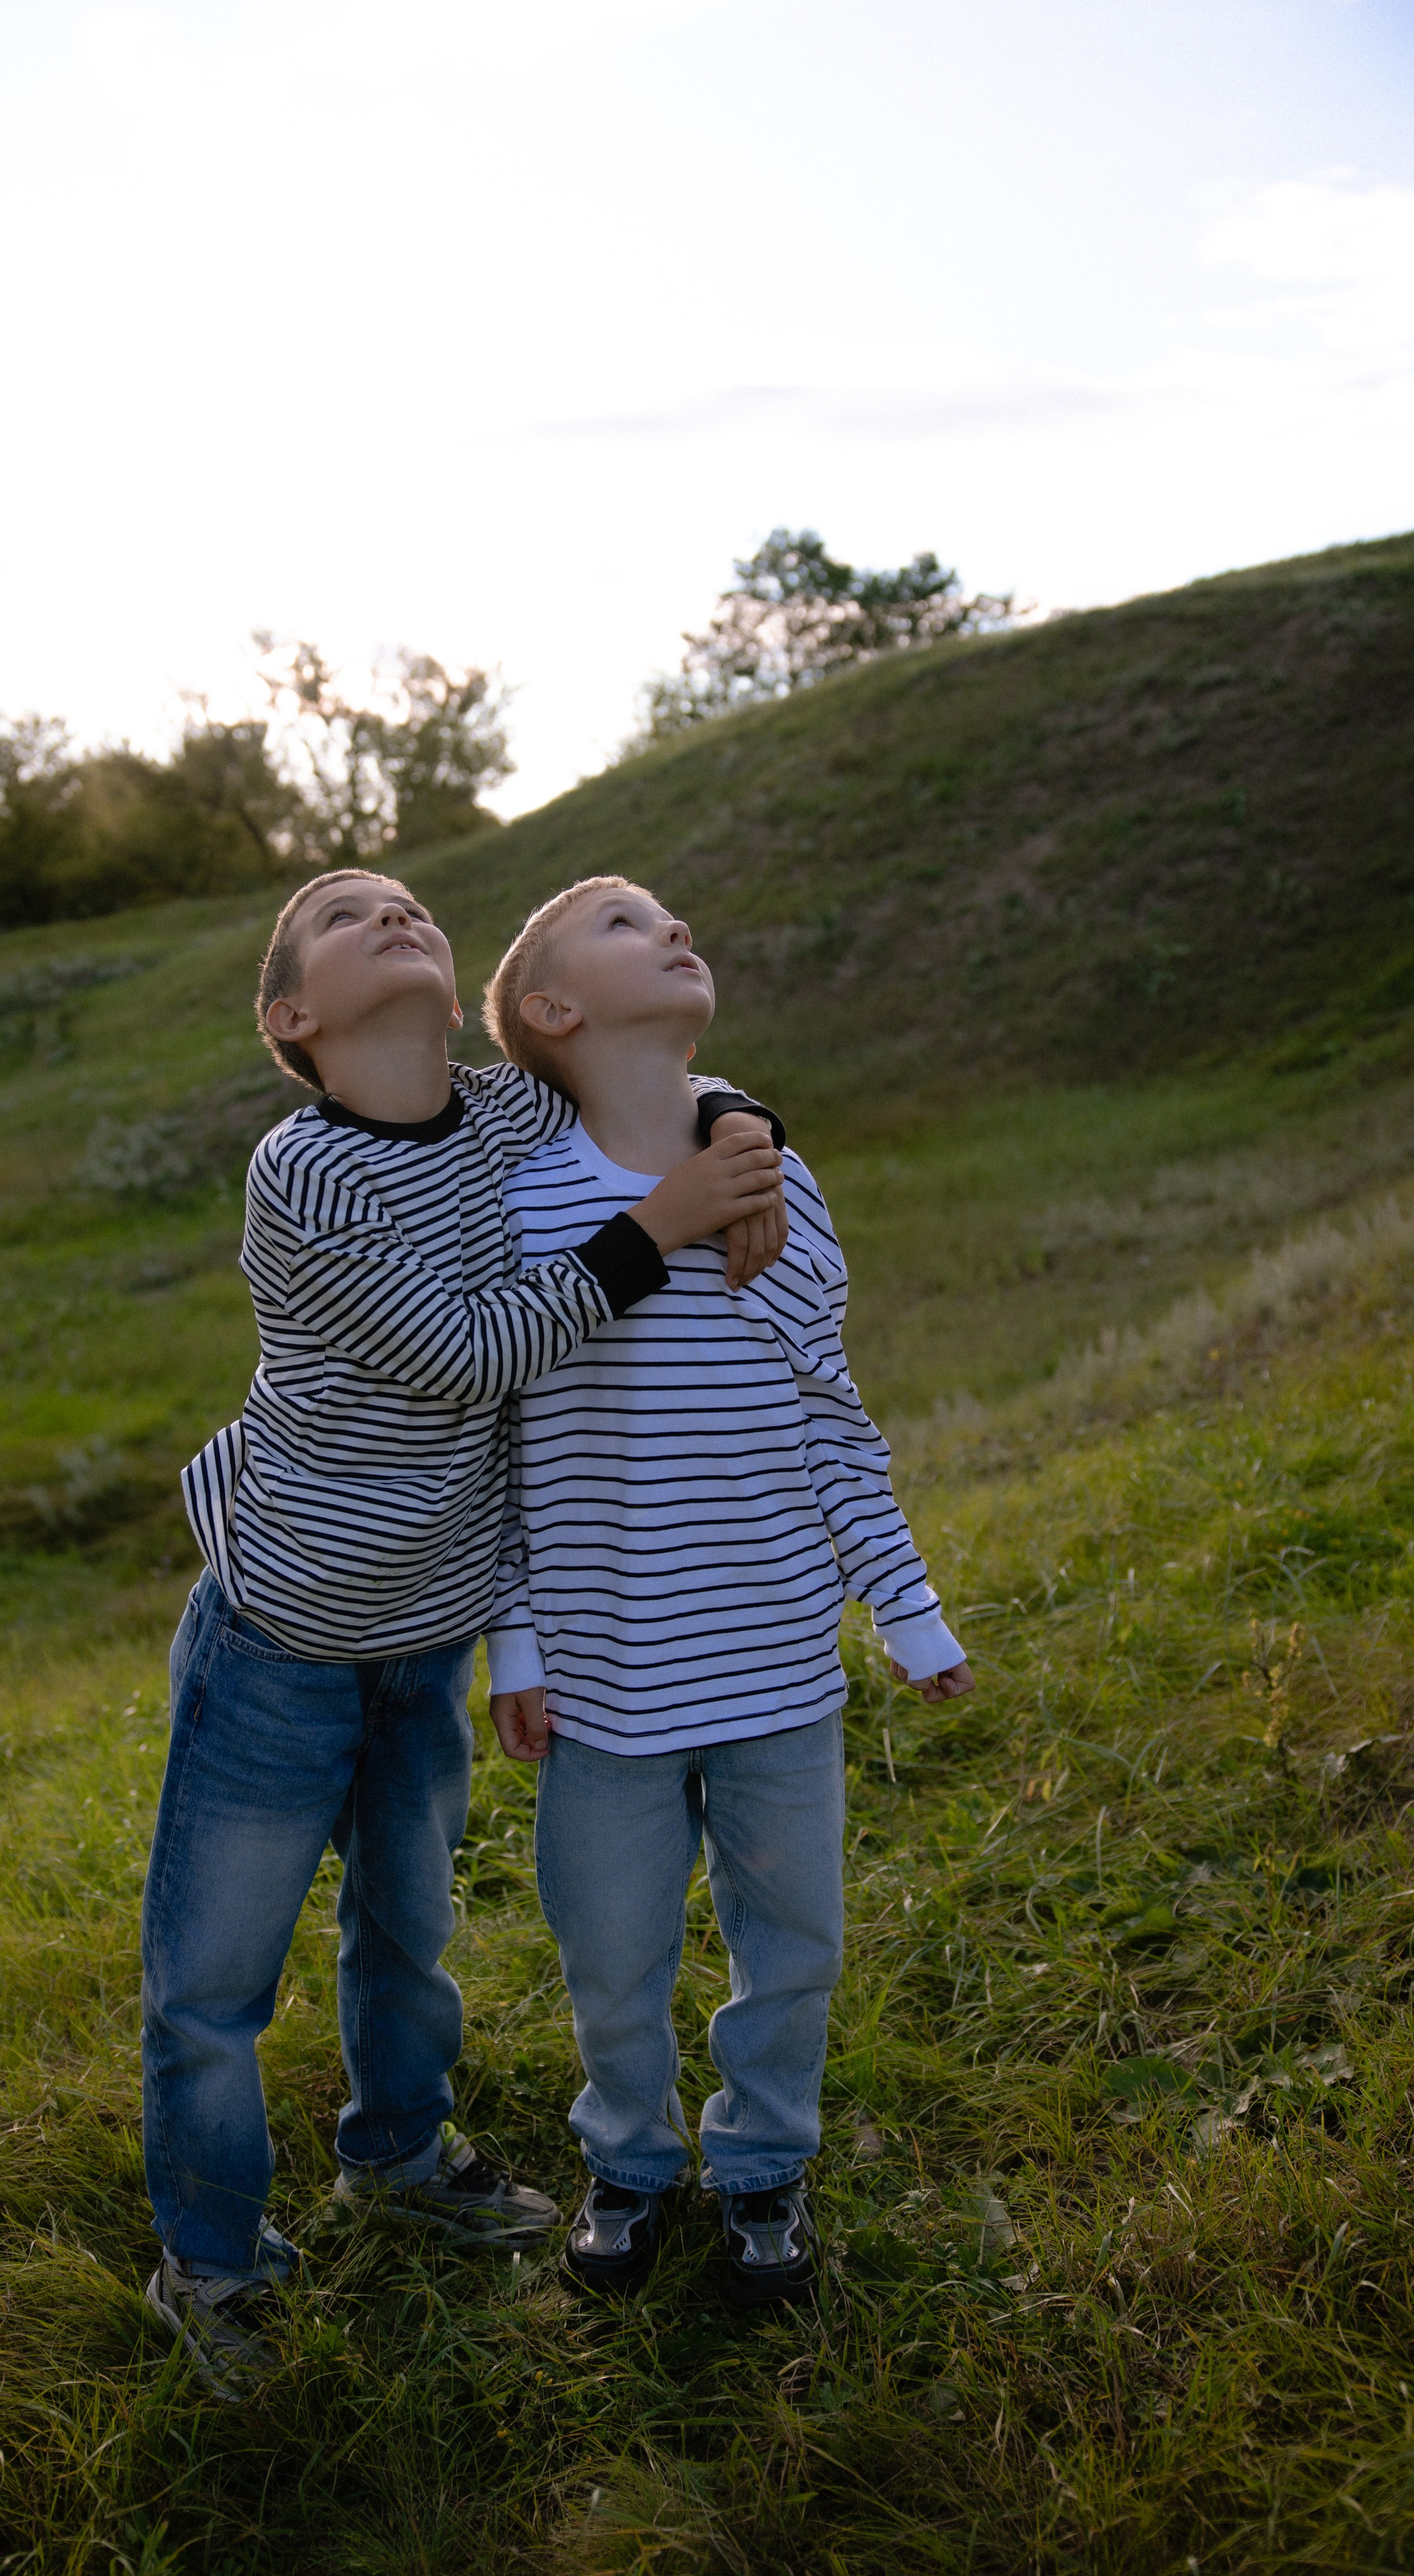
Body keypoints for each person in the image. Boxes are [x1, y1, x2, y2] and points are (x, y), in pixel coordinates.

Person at [141, 866, 786, 2394]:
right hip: (282, 1631)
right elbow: (454, 1352)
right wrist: (661, 1222)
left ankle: (400, 2152)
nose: (394, 912)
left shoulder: (499, 1117)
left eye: (406, 902)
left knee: (405, 1927)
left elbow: (653, 1080)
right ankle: (213, 2262)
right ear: (291, 1016)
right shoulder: (306, 1169)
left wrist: (738, 1123)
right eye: (343, 914)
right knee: (212, 1980)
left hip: (427, 1631)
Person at [481, 875, 974, 2307]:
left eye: (673, 913)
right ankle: (627, 2160)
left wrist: (907, 1604)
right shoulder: (526, 1200)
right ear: (550, 1010)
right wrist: (512, 1640)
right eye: (625, 922)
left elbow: (831, 1411)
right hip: (600, 1679)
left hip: (774, 1664)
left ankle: (761, 2164)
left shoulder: (777, 1177)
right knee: (612, 1955)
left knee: (793, 1942)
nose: (674, 924)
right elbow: (501, 1437)